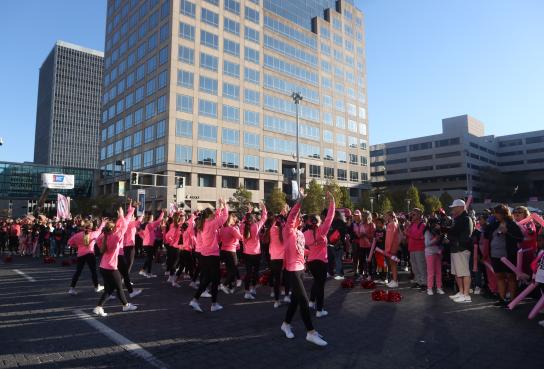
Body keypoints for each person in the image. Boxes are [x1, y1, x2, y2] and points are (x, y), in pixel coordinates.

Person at [280, 190, 328, 347]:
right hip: (292, 270)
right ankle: (311, 332)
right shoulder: (288, 231)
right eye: (298, 217)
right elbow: (292, 215)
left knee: (295, 301)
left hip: (301, 269)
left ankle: (286, 324)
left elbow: (303, 250)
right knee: (304, 300)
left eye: (301, 218)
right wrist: (300, 200)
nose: (300, 219)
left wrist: (312, 249)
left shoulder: (300, 233)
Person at [93, 206, 137, 317]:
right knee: (118, 288)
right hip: (111, 268)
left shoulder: (103, 237)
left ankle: (99, 307)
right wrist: (122, 215)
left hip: (103, 267)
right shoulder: (116, 237)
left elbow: (97, 240)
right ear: (112, 229)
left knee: (109, 289)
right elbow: (125, 226)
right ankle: (126, 306)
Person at [189, 199, 229, 313]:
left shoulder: (201, 224)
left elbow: (218, 217)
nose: (214, 216)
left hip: (204, 254)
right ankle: (213, 304)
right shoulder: (212, 224)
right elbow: (224, 217)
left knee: (207, 278)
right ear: (210, 215)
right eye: (212, 214)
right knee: (215, 279)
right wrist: (224, 205)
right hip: (212, 255)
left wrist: (220, 207)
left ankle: (197, 300)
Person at [485, 204, 524, 306]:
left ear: (503, 214)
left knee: (511, 277)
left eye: (497, 213)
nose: (495, 215)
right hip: (495, 255)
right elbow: (486, 235)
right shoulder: (494, 224)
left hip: (508, 255)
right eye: (495, 213)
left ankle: (513, 301)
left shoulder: (512, 224)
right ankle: (502, 299)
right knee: (499, 276)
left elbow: (520, 238)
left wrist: (507, 232)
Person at [305, 192, 335, 318]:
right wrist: (332, 201)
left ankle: (311, 302)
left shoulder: (305, 233)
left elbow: (303, 248)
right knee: (320, 285)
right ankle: (320, 309)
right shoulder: (322, 230)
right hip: (321, 262)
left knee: (316, 282)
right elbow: (330, 217)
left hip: (311, 262)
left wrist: (308, 253)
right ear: (318, 222)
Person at [446, 199, 475, 304]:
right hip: (455, 248)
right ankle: (461, 292)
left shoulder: (465, 219)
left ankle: (466, 295)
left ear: (461, 208)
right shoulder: (458, 219)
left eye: (454, 207)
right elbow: (452, 232)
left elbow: (457, 233)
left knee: (464, 272)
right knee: (457, 272)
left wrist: (449, 233)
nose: (453, 209)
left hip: (461, 249)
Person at [67, 219, 106, 295]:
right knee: (93, 271)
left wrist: (77, 246)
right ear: (91, 227)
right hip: (90, 254)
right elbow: (101, 229)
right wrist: (103, 222)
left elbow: (69, 242)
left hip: (80, 254)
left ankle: (72, 288)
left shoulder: (78, 235)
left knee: (78, 272)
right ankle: (96, 287)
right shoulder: (94, 234)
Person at [240, 202, 268, 300]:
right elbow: (264, 218)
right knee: (255, 272)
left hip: (246, 253)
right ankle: (253, 288)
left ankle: (247, 291)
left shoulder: (242, 227)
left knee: (248, 273)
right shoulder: (256, 226)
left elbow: (243, 221)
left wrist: (248, 212)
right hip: (256, 253)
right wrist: (263, 207)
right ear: (253, 219)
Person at [267, 214, 290, 308]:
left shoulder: (272, 230)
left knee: (277, 280)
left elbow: (273, 223)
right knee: (286, 277)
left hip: (274, 258)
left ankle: (276, 301)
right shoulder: (285, 231)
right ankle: (286, 295)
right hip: (284, 258)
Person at [218, 212, 243, 294]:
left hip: (223, 251)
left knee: (229, 269)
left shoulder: (221, 229)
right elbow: (240, 238)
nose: (234, 220)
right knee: (233, 270)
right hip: (231, 251)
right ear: (230, 220)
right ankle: (224, 285)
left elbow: (219, 240)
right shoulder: (232, 229)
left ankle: (230, 287)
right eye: (233, 218)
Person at [139, 209, 165, 278]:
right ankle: (148, 272)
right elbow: (159, 221)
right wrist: (162, 213)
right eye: (152, 217)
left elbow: (140, 233)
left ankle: (143, 270)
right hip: (148, 244)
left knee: (149, 258)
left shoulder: (145, 225)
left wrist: (144, 238)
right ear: (151, 218)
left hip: (146, 243)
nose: (153, 218)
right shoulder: (149, 225)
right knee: (150, 258)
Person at [405, 208, 427, 290]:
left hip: (419, 248)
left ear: (419, 215)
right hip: (412, 248)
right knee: (414, 267)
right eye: (411, 214)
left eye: (413, 214)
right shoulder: (412, 224)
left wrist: (408, 233)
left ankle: (424, 283)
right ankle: (418, 281)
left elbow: (419, 236)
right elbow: (409, 234)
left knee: (421, 266)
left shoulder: (422, 225)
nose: (411, 216)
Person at [513, 206, 537, 275]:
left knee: (528, 271)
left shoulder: (528, 223)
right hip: (518, 251)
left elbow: (531, 232)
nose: (517, 214)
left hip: (528, 252)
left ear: (525, 214)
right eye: (515, 212)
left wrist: (529, 230)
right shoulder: (514, 224)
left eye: (520, 212)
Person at [424, 218, 444, 295]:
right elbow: (427, 243)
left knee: (438, 271)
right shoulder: (427, 232)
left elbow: (440, 242)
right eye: (435, 223)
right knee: (431, 272)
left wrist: (441, 239)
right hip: (430, 253)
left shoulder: (438, 232)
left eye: (437, 223)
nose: (436, 225)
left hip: (438, 253)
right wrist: (436, 239)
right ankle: (429, 288)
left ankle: (439, 287)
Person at [385, 211, 401, 288]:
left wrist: (388, 249)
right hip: (390, 247)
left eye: (386, 215)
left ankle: (395, 281)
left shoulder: (392, 224)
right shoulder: (390, 224)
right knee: (392, 264)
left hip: (392, 247)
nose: (385, 217)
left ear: (390, 216)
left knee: (393, 264)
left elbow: (391, 238)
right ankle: (394, 280)